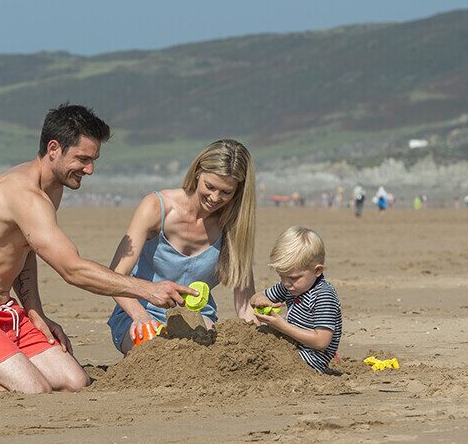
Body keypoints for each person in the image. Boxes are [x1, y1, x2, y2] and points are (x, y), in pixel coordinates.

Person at [0, 103, 194, 393]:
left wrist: (35, 312)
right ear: (54, 149)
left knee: (74, 381)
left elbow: (24, 249)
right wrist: (147, 290)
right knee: (32, 389)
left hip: (4, 312)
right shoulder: (22, 194)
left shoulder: (52, 189)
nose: (89, 169)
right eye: (82, 159)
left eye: (94, 160)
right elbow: (72, 269)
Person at [106, 139, 257, 354]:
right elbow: (115, 275)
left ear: (238, 192)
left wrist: (257, 339)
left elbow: (245, 306)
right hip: (140, 314)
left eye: (226, 192)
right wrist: (141, 317)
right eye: (210, 186)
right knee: (158, 354)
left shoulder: (234, 228)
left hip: (199, 319)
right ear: (197, 172)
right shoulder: (156, 207)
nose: (215, 198)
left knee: (207, 357)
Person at [250, 227, 342, 375]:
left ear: (317, 271)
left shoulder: (324, 296)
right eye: (282, 277)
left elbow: (321, 342)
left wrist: (282, 326)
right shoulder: (291, 287)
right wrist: (262, 300)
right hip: (291, 348)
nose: (286, 283)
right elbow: (255, 297)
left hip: (310, 361)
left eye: (293, 278)